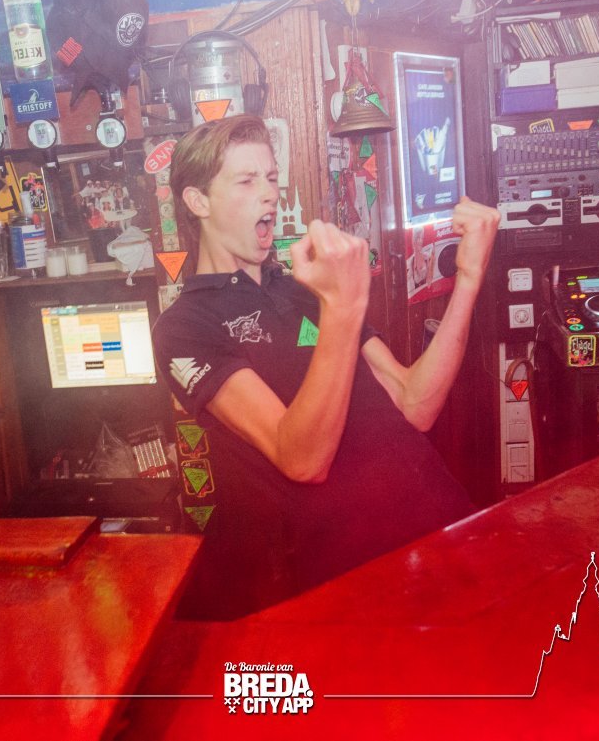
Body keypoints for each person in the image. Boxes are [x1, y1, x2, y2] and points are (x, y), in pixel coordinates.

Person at [153, 115, 499, 619]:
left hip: (440, 539)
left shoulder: (303, 288)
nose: (269, 193)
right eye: (246, 181)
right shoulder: (185, 326)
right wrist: (342, 307)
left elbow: (415, 404)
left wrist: (468, 276)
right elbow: (301, 458)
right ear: (198, 201)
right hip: (345, 589)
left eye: (271, 177)